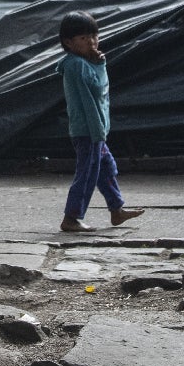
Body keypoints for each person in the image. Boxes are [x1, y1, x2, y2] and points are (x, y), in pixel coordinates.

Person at [58, 12, 145, 234]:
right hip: (88, 129)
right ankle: (72, 217)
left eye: (94, 36)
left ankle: (116, 210)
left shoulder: (83, 62)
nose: (92, 42)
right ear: (68, 42)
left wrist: (96, 63)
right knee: (87, 173)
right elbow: (97, 90)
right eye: (84, 38)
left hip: (95, 129)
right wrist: (100, 65)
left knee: (105, 169)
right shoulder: (77, 65)